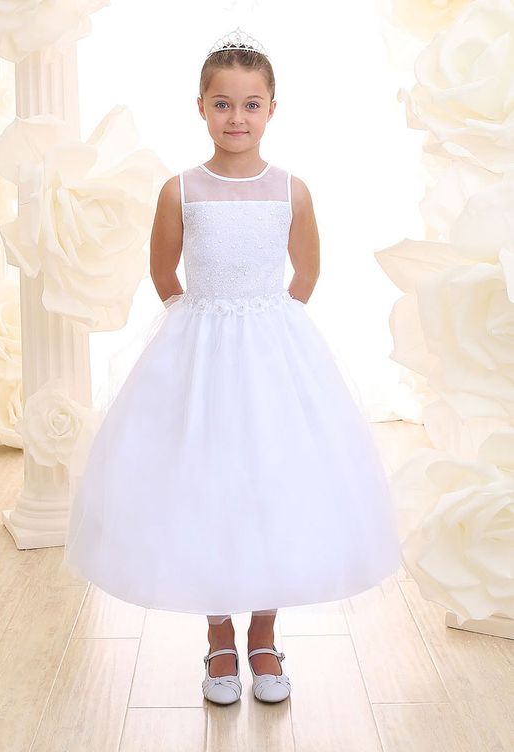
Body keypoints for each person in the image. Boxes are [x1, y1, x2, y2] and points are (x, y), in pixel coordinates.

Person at [61, 26, 402, 707]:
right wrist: (201, 326)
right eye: (222, 104)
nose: (236, 117)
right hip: (199, 353)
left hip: (273, 356)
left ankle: (264, 635)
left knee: (269, 483)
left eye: (250, 104)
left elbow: (306, 270)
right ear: (200, 107)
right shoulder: (181, 190)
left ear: (272, 108)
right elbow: (164, 272)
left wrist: (268, 327)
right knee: (207, 483)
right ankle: (219, 634)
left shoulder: (291, 190)